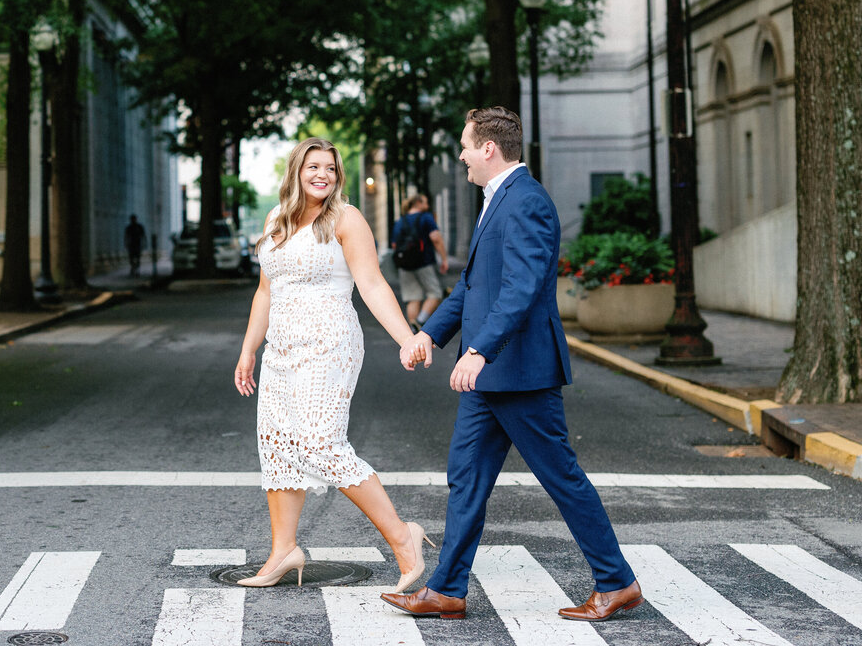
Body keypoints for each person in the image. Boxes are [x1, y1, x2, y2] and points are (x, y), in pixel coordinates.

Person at [382, 106, 641, 622]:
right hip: (489, 378)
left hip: (519, 371)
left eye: (464, 146)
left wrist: (478, 351)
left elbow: (521, 290)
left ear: (488, 149)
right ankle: (447, 591)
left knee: (561, 476)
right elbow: (475, 288)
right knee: (466, 477)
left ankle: (617, 583)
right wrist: (428, 335)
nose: (461, 155)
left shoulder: (526, 202)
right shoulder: (497, 200)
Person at [234, 137, 432, 590]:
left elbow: (373, 283)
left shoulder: (345, 218)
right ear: (296, 173)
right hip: (281, 349)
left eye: (330, 168)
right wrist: (249, 350)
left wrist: (406, 338)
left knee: (321, 444)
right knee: (278, 445)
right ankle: (283, 550)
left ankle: (404, 538)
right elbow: (265, 292)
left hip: (330, 343)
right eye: (313, 166)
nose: (322, 174)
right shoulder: (276, 220)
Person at [390, 194, 449, 331]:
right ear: (418, 203)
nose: (427, 206)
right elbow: (436, 238)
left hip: (404, 264)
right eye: (425, 203)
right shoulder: (426, 218)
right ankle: (420, 322)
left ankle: (412, 330)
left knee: (413, 297)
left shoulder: (400, 222)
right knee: (435, 294)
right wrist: (444, 259)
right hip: (424, 262)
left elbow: (394, 245)